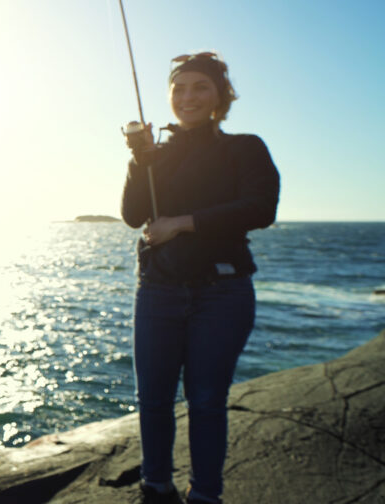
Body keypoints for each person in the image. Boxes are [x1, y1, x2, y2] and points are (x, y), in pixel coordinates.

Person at [120, 51, 280, 504]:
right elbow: (134, 215)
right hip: (158, 290)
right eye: (179, 88)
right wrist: (139, 158)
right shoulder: (158, 154)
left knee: (207, 400)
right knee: (152, 400)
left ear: (220, 97)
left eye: (200, 87)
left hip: (222, 292)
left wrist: (182, 222)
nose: (187, 97)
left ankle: (206, 494)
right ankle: (156, 487)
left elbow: (260, 208)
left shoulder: (244, 147)